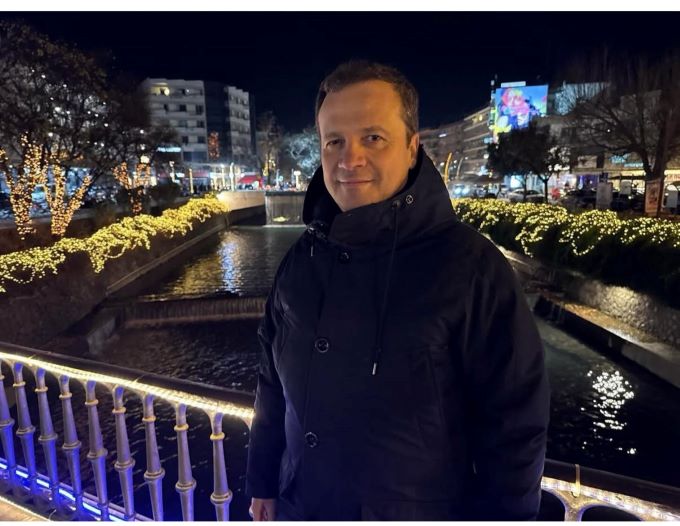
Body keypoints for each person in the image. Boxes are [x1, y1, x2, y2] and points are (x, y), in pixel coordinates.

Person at [246, 60, 550, 521]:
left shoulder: (471, 267)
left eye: (373, 137)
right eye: (334, 141)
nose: (349, 159)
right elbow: (271, 384)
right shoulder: (301, 259)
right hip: (298, 506)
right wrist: (264, 481)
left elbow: (515, 428)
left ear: (411, 148)